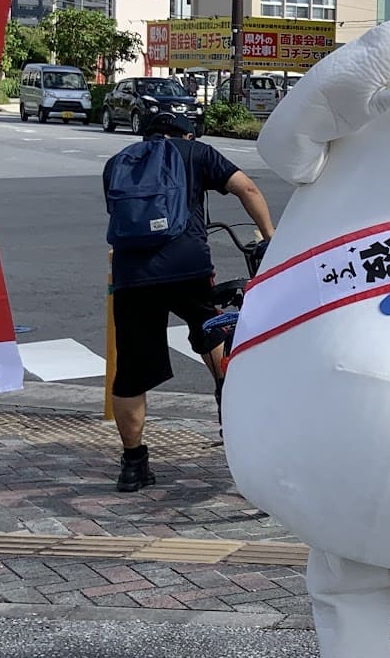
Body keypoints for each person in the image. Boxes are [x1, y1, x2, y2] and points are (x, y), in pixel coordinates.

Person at [104, 114, 275, 493]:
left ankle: (133, 465)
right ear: (186, 133)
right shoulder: (196, 152)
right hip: (188, 268)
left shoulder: (118, 163)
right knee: (211, 332)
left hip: (132, 277)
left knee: (131, 372)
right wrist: (270, 237)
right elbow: (247, 189)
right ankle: (227, 411)